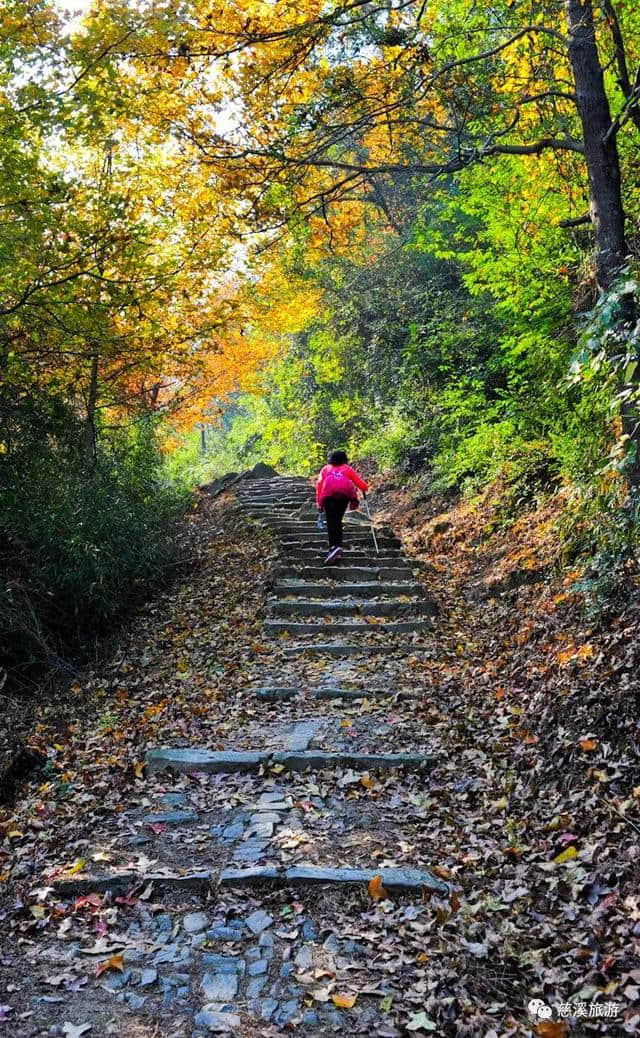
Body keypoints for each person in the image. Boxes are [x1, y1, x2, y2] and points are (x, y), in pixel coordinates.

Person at [316, 450, 369, 565]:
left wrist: (319, 503)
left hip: (328, 495)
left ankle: (333, 547)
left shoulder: (325, 469)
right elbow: (360, 483)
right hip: (344, 496)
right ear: (345, 459)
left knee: (331, 521)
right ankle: (338, 546)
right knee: (338, 520)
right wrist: (365, 488)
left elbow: (319, 485)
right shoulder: (347, 468)